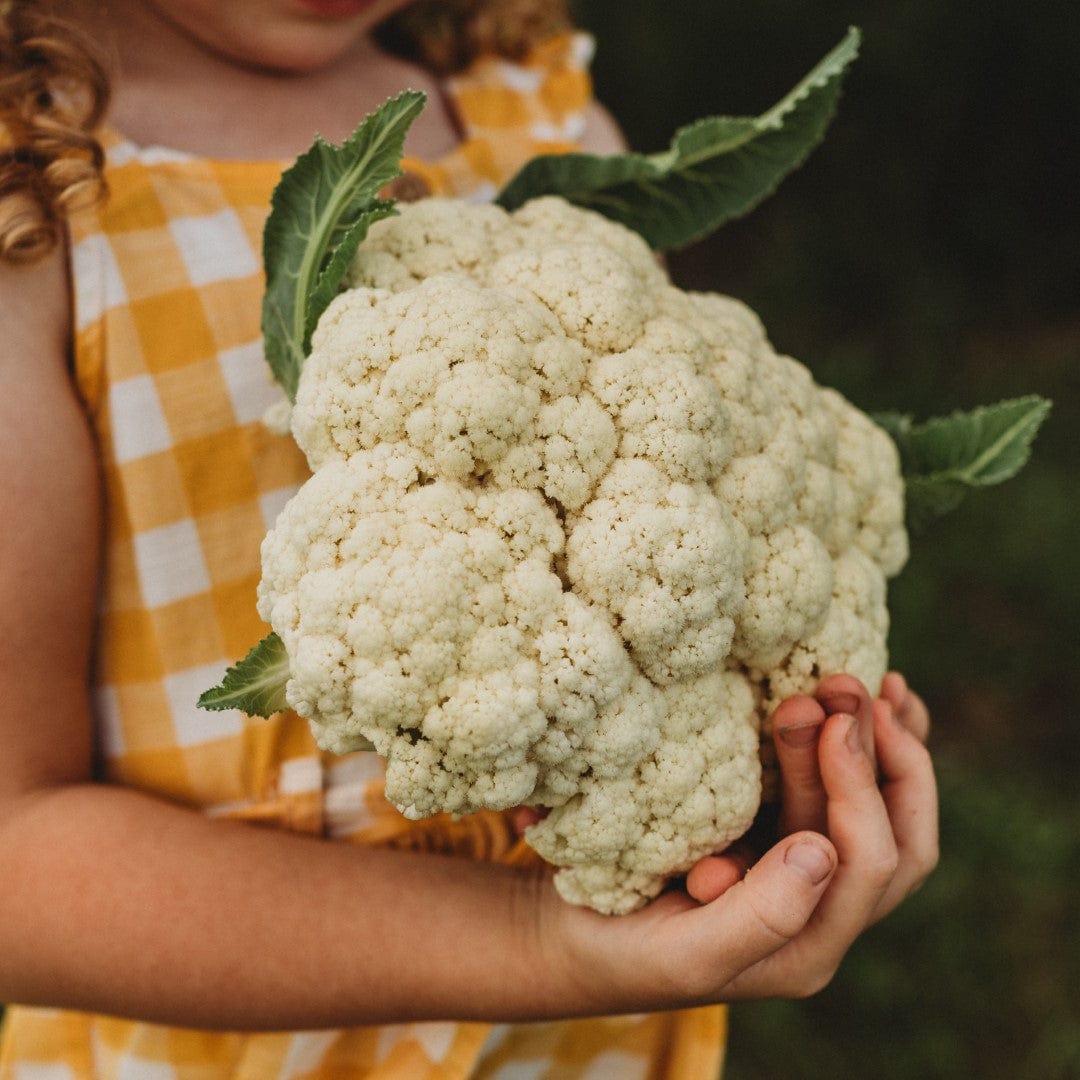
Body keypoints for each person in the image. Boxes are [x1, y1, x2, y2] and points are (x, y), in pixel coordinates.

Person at [0, 2, 939, 1077]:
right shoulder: (35, 204)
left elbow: (681, 561)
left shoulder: (545, 121)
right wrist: (539, 940)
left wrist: (773, 810)